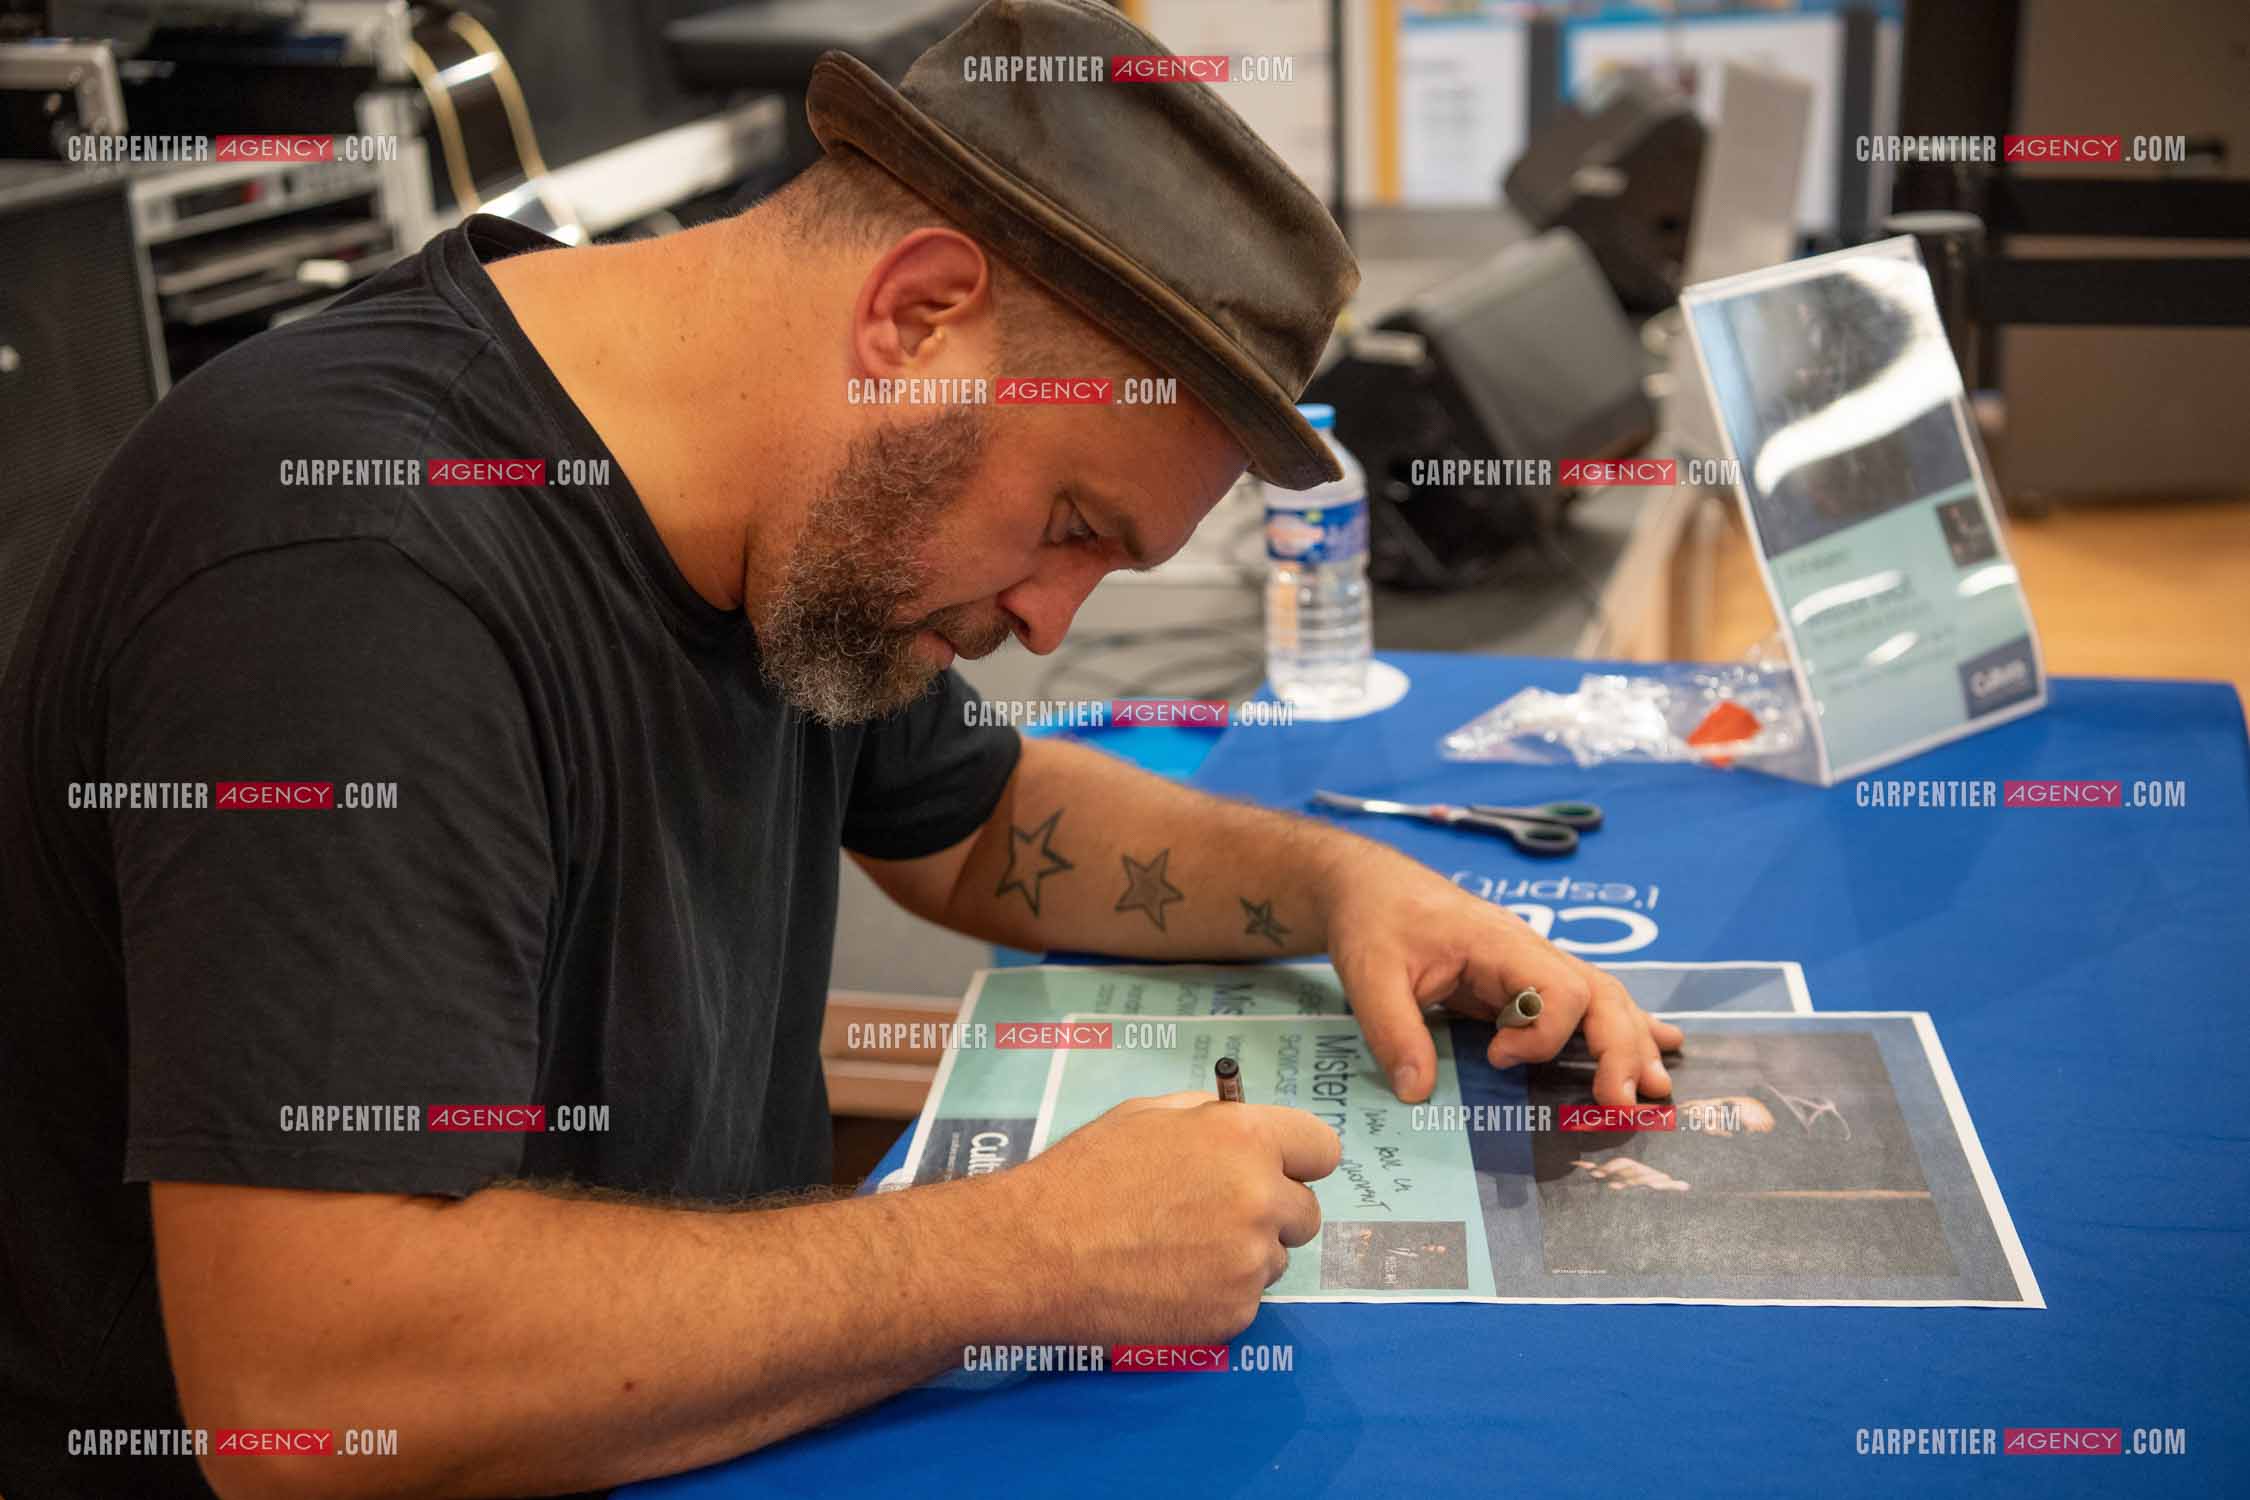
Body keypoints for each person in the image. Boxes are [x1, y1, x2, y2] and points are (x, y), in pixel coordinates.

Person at [0, 2, 1680, 1495]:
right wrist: (1022, 1255)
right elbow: (316, 1396)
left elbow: (971, 823)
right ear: (921, 313)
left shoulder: (774, 512)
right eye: (1070, 524)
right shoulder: (350, 575)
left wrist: (1342, 887)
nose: (1049, 626)